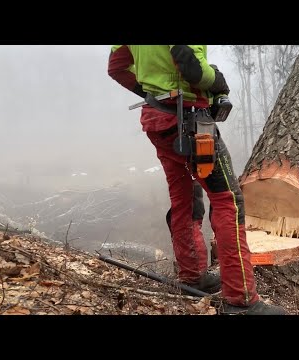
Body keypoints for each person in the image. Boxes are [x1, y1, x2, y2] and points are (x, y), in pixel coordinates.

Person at [108, 45, 285, 315]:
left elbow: (117, 67)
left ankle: (192, 275)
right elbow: (191, 66)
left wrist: (151, 92)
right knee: (229, 202)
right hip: (189, 122)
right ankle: (241, 298)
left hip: (159, 120)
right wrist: (216, 80)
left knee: (184, 198)